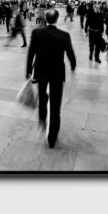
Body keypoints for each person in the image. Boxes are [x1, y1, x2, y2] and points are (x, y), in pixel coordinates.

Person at [26, 9, 76, 149]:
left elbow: (31, 53)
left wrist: (29, 70)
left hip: (41, 71)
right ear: (57, 18)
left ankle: (42, 118)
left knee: (42, 96)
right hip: (57, 73)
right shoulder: (64, 35)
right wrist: (73, 65)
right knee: (55, 103)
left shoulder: (37, 33)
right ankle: (52, 136)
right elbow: (70, 54)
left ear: (46, 19)